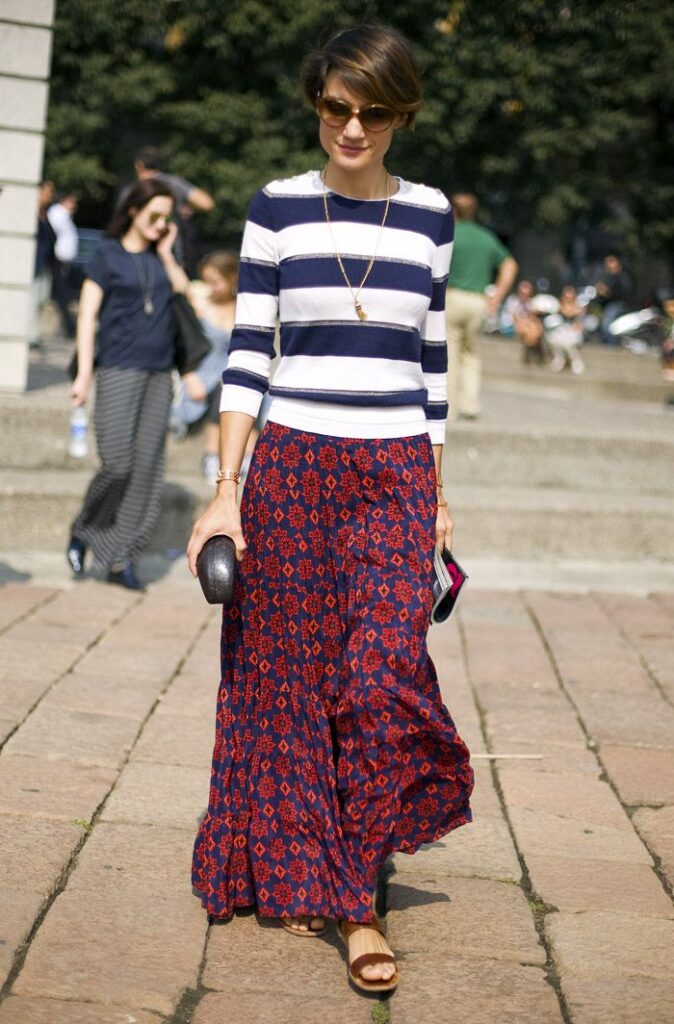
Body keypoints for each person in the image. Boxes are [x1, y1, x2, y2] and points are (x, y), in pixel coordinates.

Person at [186, 23, 474, 995]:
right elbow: (246, 358)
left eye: (374, 111)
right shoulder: (276, 209)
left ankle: (341, 860)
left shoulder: (430, 216)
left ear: (402, 114)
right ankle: (353, 903)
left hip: (394, 470)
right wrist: (223, 492)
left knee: (381, 669)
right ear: (315, 104)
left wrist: (434, 496)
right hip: (293, 469)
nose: (352, 127)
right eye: (334, 107)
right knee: (289, 675)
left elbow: (431, 368)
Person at [67, 178, 190, 590]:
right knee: (118, 463)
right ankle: (85, 529)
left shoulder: (162, 258)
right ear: (133, 211)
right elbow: (87, 317)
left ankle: (121, 559)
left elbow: (183, 293)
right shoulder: (107, 256)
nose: (160, 223)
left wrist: (169, 254)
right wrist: (84, 373)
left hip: (159, 373)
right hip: (118, 368)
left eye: (166, 218)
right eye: (154, 215)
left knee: (146, 472)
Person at [444, 193, 518, 419]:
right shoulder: (486, 238)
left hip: (452, 297)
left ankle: (451, 406)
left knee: (450, 352)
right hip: (478, 301)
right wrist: (497, 296)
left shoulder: (448, 233)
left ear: (454, 211)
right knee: (471, 353)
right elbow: (510, 265)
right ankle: (471, 406)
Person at [171, 251, 239, 482]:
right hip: (202, 375)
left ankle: (245, 457)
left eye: (216, 281)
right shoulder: (200, 304)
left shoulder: (245, 308)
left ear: (231, 279)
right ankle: (212, 456)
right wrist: (189, 376)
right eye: (207, 281)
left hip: (230, 375)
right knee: (225, 391)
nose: (211, 287)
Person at [117, 145, 215, 273]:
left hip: (133, 255)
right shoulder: (174, 183)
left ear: (138, 165)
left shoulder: (131, 191)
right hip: (172, 254)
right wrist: (187, 208)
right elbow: (207, 203)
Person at [47, 191, 79, 338]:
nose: (74, 205)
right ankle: (70, 328)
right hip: (58, 261)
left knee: (65, 296)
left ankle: (69, 327)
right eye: (72, 202)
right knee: (63, 296)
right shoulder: (57, 214)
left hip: (64, 262)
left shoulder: (65, 216)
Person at [29, 180, 56, 348]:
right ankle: (30, 336)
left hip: (42, 264)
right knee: (31, 301)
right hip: (31, 265)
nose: (49, 196)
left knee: (38, 301)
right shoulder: (32, 215)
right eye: (47, 192)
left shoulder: (44, 215)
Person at [546, 286, 585, 374]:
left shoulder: (579, 309)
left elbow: (579, 326)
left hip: (573, 334)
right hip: (560, 332)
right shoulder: (557, 307)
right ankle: (559, 359)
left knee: (568, 341)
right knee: (552, 338)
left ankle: (576, 361)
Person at [596, 254, 631, 344]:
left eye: (611, 261)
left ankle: (611, 346)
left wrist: (606, 291)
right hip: (608, 304)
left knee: (607, 326)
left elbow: (620, 293)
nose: (608, 264)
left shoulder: (622, 277)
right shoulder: (607, 276)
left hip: (617, 304)